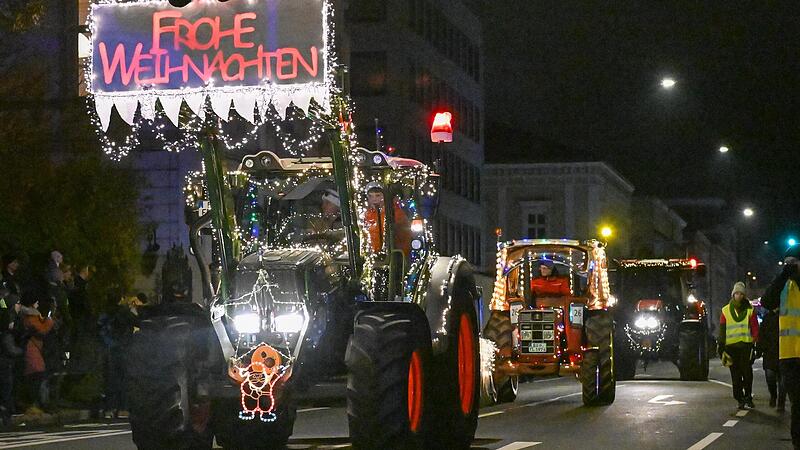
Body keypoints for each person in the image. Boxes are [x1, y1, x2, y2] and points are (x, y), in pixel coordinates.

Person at [762, 246, 800, 449]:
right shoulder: (784, 285)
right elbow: (766, 301)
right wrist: (784, 275)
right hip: (790, 355)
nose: (791, 266)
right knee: (798, 405)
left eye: (794, 262)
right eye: (787, 263)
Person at [718, 281, 759, 409]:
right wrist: (721, 346)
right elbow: (722, 330)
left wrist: (754, 342)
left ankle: (747, 396)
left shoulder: (750, 310)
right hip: (731, 348)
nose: (739, 296)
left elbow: (755, 328)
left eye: (741, 294)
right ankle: (739, 397)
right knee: (735, 376)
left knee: (747, 374)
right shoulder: (725, 311)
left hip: (746, 347)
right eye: (737, 293)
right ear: (733, 294)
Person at [19, 292, 55, 414]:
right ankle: (36, 404)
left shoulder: (32, 316)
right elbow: (42, 330)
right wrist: (49, 321)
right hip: (32, 349)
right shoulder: (30, 317)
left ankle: (38, 403)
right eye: (36, 301)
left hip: (35, 348)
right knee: (37, 375)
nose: (38, 304)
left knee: (37, 376)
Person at [363, 182, 411, 256]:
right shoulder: (367, 215)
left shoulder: (395, 213)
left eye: (377, 195)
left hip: (395, 256)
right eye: (371, 196)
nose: (374, 199)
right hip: (376, 255)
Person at [758, 307, 786, 411]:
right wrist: (760, 348)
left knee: (783, 380)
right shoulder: (767, 318)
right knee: (770, 376)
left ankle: (781, 402)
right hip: (770, 352)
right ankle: (773, 395)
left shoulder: (786, 316)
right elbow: (762, 335)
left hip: (784, 351)